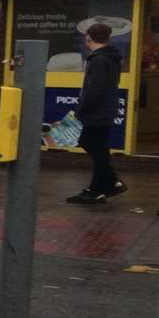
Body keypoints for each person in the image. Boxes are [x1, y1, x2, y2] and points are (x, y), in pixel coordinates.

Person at [69, 21, 126, 204]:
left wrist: (82, 109)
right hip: (106, 109)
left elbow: (94, 89)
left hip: (97, 111)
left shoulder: (98, 60)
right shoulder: (112, 57)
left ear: (88, 38)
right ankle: (100, 187)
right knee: (99, 148)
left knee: (89, 143)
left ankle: (110, 182)